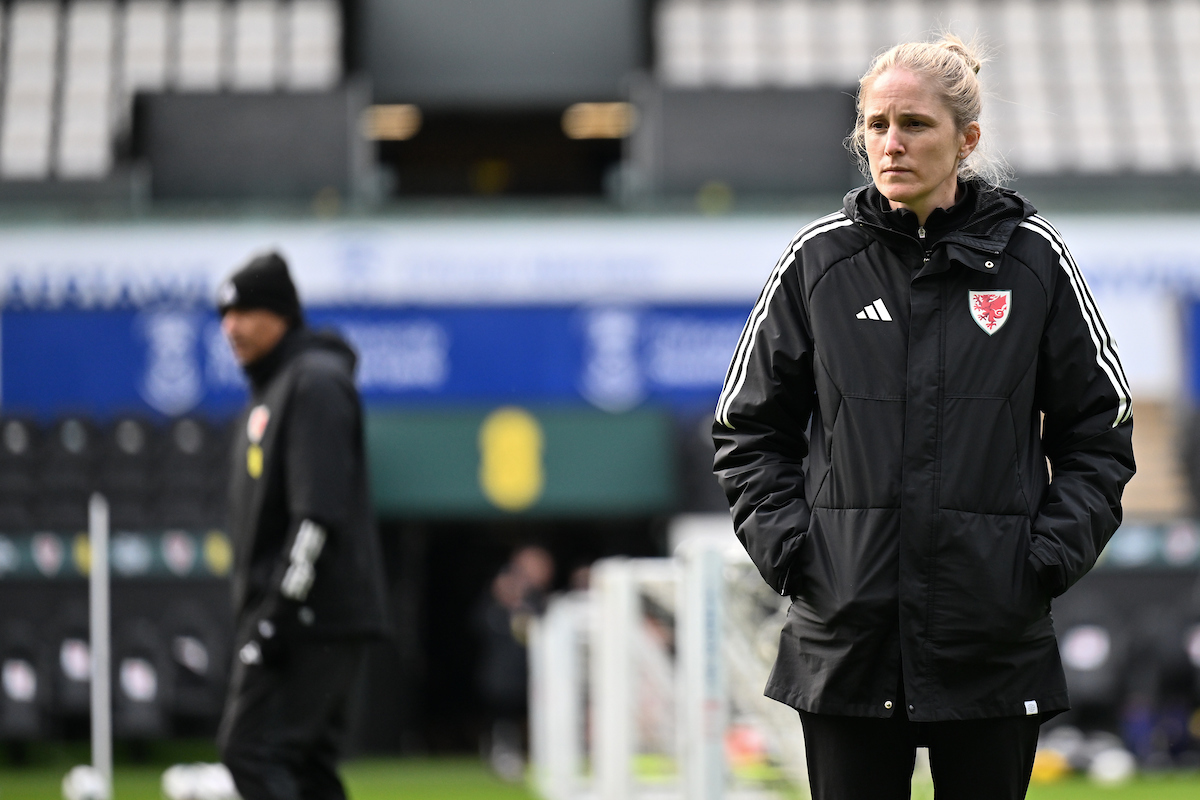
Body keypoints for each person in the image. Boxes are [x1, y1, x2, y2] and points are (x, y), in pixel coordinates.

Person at [713, 35, 1135, 800]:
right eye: (876, 125)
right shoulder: (818, 262)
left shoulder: (1035, 261)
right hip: (846, 639)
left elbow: (1100, 432)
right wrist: (800, 558)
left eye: (914, 124)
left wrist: (1038, 563)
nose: (891, 142)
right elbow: (747, 429)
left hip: (991, 639)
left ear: (966, 140)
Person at [215, 252, 388, 800]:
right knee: (307, 770)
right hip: (305, 616)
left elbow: (319, 513)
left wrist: (278, 616)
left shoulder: (313, 383)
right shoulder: (273, 388)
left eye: (244, 313)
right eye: (224, 315)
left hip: (307, 618)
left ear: (281, 314)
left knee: (251, 750)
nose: (231, 328)